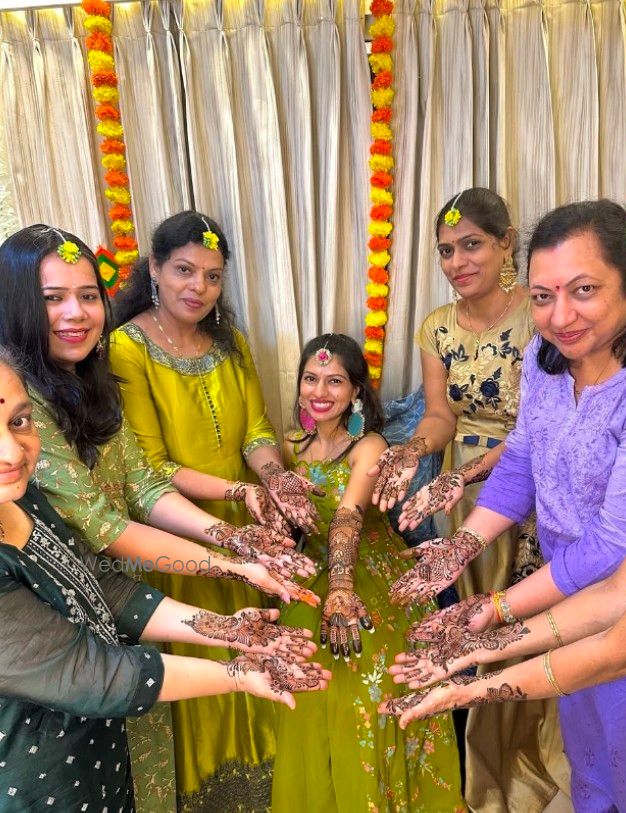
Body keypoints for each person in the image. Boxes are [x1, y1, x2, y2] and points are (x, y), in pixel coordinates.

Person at [0, 224, 318, 812]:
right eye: (52, 298)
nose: (76, 312)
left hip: (114, 594)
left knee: (135, 767)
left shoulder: (86, 378)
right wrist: (236, 564)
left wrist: (237, 541)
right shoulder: (19, 401)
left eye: (88, 294)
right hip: (49, 671)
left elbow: (142, 484)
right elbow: (102, 527)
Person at [386, 200, 626, 812]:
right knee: (584, 752)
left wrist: (493, 612)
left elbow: (613, 545)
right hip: (563, 585)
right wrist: (459, 547)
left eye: (584, 290)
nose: (560, 316)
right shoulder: (546, 363)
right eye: (543, 296)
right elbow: (521, 459)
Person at [110, 210, 321, 809]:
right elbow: (149, 469)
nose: (197, 288)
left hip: (248, 527)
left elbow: (256, 431)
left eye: (211, 276)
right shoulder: (127, 348)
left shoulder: (230, 341)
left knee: (260, 643)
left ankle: (266, 779)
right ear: (153, 268)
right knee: (205, 653)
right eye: (183, 270)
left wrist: (276, 481)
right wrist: (236, 495)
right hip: (178, 529)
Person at [368, 187, 559, 810]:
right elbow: (440, 417)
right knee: (464, 621)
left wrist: (468, 472)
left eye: (471, 244)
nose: (457, 261)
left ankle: (528, 759)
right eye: (446, 250)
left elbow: (541, 430)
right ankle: (474, 765)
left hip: (528, 485)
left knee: (520, 622)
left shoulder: (540, 317)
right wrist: (408, 453)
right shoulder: (437, 326)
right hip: (460, 494)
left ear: (507, 243)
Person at [270, 333, 465, 811]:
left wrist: (340, 590)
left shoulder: (370, 444)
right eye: (311, 379)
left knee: (365, 691)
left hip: (369, 575)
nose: (320, 392)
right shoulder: (290, 444)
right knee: (309, 689)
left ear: (357, 391)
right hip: (310, 577)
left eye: (335, 381)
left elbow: (348, 517)